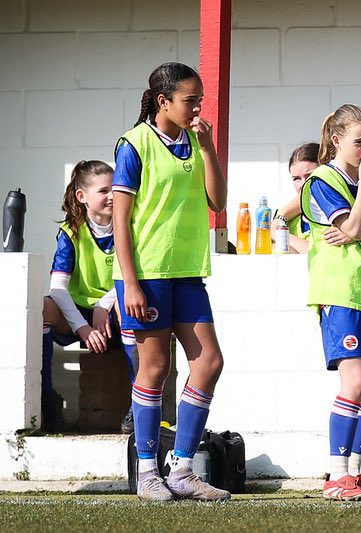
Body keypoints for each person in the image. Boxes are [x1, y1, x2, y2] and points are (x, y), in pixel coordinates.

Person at [112, 62, 229, 502]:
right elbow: (120, 224)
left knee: (209, 362)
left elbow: (217, 201)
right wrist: (131, 283)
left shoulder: (195, 142)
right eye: (190, 100)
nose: (197, 107)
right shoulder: (134, 144)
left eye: (199, 99)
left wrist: (209, 148)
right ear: (163, 101)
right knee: (155, 368)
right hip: (146, 273)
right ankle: (146, 472)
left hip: (187, 271)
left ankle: (181, 468)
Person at [299, 104, 361, 501]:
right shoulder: (322, 180)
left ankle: (355, 473)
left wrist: (359, 233)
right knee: (353, 382)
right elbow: (354, 227)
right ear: (337, 140)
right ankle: (335, 475)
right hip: (339, 292)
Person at [42, 160, 138, 433]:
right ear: (81, 197)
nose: (111, 196)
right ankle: (47, 398)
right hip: (79, 317)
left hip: (115, 314)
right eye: (103, 190)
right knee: (43, 309)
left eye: (115, 190)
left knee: (128, 304)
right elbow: (58, 287)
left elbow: (136, 275)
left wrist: (105, 304)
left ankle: (138, 403)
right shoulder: (71, 232)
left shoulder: (129, 226)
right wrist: (81, 327)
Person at [273, 143, 318, 254]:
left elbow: (320, 253)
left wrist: (279, 234)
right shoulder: (282, 215)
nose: (303, 184)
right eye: (296, 178)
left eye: (309, 176)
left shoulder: (338, 209)